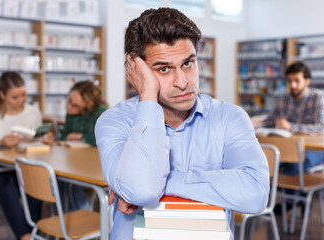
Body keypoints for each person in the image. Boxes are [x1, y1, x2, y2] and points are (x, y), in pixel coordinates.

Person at [95, 8, 269, 240]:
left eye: (188, 64)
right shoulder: (114, 120)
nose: (182, 82)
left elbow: (255, 194)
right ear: (137, 68)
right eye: (164, 69)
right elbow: (143, 191)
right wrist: (148, 97)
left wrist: (159, 181)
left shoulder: (230, 117)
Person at [0, 72, 49, 240]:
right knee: (7, 184)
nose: (21, 100)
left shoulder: (33, 112)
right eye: (14, 97)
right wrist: (2, 144)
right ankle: (26, 236)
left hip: (20, 165)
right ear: (2, 95)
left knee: (34, 182)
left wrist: (44, 140)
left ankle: (33, 232)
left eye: (23, 94)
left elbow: (37, 140)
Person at [253, 61, 324, 175]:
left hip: (312, 150)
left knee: (293, 165)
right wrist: (255, 124)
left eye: (297, 81)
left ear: (307, 81)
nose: (292, 85)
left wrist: (291, 126)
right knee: (265, 160)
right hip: (288, 147)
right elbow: (271, 120)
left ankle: (293, 193)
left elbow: (322, 127)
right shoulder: (285, 99)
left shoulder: (318, 97)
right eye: (290, 81)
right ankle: (275, 192)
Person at [59, 80, 107, 210]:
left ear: (87, 108)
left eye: (76, 106)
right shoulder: (72, 112)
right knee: (60, 180)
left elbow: (102, 138)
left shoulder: (100, 113)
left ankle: (80, 218)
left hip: (94, 165)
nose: (69, 108)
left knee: (72, 184)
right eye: (69, 101)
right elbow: (64, 135)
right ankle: (66, 220)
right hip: (74, 162)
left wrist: (80, 137)